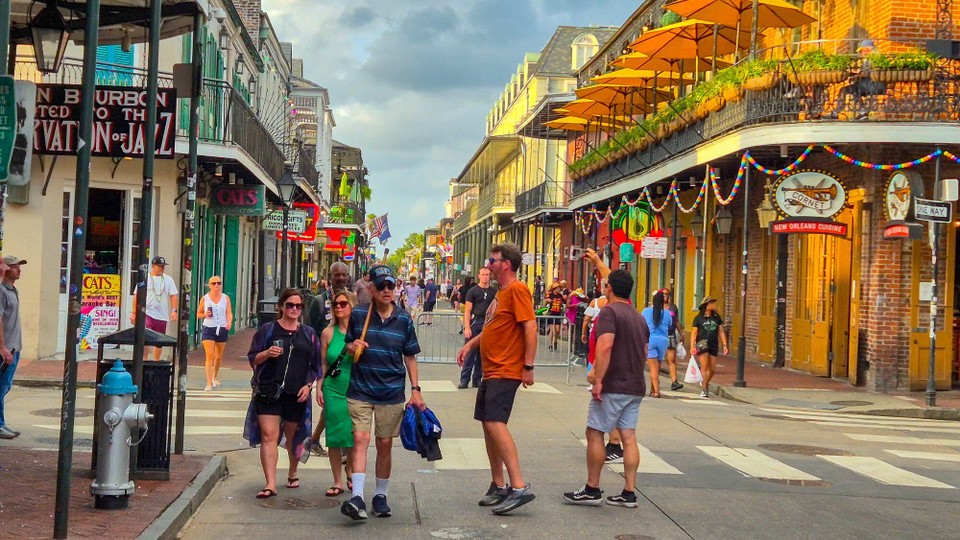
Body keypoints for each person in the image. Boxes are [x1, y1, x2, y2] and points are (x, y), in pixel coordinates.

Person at [340, 265, 425, 521]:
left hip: (391, 391)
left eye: (390, 286)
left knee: (385, 443)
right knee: (360, 439)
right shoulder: (359, 314)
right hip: (361, 389)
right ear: (371, 289)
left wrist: (416, 390)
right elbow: (347, 346)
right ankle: (357, 496)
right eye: (381, 286)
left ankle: (380, 495)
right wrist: (353, 346)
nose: (386, 290)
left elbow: (410, 356)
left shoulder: (403, 319)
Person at [457, 243, 537, 516]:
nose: (488, 265)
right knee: (487, 424)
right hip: (491, 369)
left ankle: (518, 486)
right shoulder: (500, 293)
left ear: (506, 264)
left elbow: (530, 326)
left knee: (495, 422)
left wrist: (528, 365)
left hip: (506, 368)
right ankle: (498, 484)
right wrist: (471, 345)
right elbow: (492, 327)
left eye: (492, 261)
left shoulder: (517, 289)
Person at [562, 269, 649, 508]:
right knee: (628, 437)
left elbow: (605, 346)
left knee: (594, 432)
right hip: (634, 385)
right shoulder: (638, 316)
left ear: (609, 287)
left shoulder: (609, 313)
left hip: (613, 384)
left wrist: (598, 379)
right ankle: (629, 492)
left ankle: (592, 488)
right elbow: (644, 352)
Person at [244, 288, 322, 499]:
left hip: (296, 393)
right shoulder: (267, 330)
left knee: (292, 435)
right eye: (290, 305)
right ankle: (270, 483)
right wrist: (267, 353)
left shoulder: (308, 334)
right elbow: (253, 358)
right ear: (281, 307)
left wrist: (308, 386)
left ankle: (292, 471)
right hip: (269, 390)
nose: (294, 309)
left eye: (298, 306)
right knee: (269, 435)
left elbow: (316, 365)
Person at [304, 261, 351, 457]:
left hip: (346, 363)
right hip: (326, 360)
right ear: (330, 277)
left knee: (341, 405)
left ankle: (314, 440)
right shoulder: (319, 300)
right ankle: (336, 445)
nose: (340, 278)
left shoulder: (351, 299)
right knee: (332, 404)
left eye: (343, 275)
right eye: (336, 275)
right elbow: (310, 330)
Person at [581, 248, 622, 464]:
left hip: (606, 368)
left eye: (607, 286)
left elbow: (606, 347)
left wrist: (597, 371)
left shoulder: (614, 309)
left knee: (602, 416)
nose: (605, 287)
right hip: (603, 365)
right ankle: (615, 445)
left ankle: (614, 445)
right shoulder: (616, 308)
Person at [317, 290, 358, 497]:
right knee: (334, 435)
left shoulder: (360, 332)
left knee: (353, 434)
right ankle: (337, 480)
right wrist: (319, 386)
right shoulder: (328, 333)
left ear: (352, 306)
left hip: (355, 388)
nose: (339, 307)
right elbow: (323, 363)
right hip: (333, 387)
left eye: (343, 304)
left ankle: (350, 470)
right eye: (336, 304)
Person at [131, 256, 178, 360]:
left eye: (163, 266)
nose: (162, 268)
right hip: (147, 312)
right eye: (160, 266)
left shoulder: (168, 279)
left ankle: (156, 361)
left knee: (159, 341)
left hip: (162, 315)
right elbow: (136, 295)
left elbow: (173, 295)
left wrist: (174, 310)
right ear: (153, 266)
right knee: (145, 336)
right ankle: (144, 360)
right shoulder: (145, 278)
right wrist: (134, 312)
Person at [0, 255, 25, 439]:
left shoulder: (12, 290)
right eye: (15, 267)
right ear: (7, 269)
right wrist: (3, 348)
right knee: (1, 387)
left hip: (14, 348)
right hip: (6, 350)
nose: (19, 270)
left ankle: (1, 423)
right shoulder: (2, 291)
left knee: (5, 387)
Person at [460, 267, 495, 389]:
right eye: (483, 274)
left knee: (482, 353)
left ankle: (477, 379)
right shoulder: (473, 291)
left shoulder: (493, 292)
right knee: (470, 353)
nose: (485, 277)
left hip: (488, 323)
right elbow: (467, 310)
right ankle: (464, 379)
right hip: (476, 322)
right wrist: (467, 327)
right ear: (479, 276)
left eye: (487, 275)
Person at [197, 276, 233, 391]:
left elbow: (229, 312)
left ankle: (215, 376)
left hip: (222, 327)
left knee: (218, 356)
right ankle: (208, 382)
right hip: (209, 327)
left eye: (219, 283)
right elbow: (198, 313)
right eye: (213, 283)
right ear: (209, 285)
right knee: (210, 355)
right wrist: (205, 315)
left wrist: (229, 322)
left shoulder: (225, 298)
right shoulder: (205, 298)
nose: (216, 285)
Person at [690, 297, 729, 398]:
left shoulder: (716, 317)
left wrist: (725, 344)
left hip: (713, 344)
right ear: (707, 305)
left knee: (712, 369)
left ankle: (704, 382)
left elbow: (721, 331)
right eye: (712, 303)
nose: (714, 305)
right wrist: (692, 346)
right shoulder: (698, 318)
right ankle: (704, 389)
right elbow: (694, 333)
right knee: (705, 366)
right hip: (702, 343)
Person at [641, 291, 672, 398]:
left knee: (653, 368)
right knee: (657, 366)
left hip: (650, 340)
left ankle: (657, 391)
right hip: (663, 341)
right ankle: (653, 389)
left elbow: (642, 323)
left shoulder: (646, 311)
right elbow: (670, 324)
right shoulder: (667, 313)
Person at [661, 288, 684, 391]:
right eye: (663, 294)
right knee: (657, 359)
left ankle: (674, 382)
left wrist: (681, 333)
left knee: (672, 359)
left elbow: (677, 321)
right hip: (660, 335)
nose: (665, 296)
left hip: (670, 334)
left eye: (667, 294)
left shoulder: (673, 307)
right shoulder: (656, 307)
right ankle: (655, 382)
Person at [546, 282, 565, 351]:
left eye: (559, 288)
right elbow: (545, 301)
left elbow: (564, 301)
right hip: (551, 314)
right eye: (558, 288)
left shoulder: (560, 295)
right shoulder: (550, 295)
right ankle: (550, 344)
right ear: (554, 289)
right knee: (552, 330)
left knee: (557, 330)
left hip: (558, 314)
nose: (559, 289)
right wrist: (547, 301)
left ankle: (555, 341)